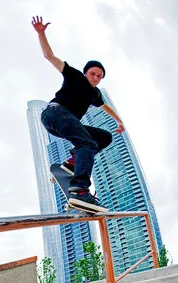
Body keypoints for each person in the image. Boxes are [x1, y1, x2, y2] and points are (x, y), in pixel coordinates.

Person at [32, 16, 125, 213]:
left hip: (66, 123)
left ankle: (72, 162)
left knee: (103, 137)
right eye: (93, 74)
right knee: (87, 143)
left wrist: (118, 120)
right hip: (55, 113)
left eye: (99, 76)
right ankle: (80, 190)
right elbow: (50, 56)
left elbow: (104, 107)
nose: (96, 78)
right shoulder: (74, 75)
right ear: (85, 73)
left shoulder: (95, 93)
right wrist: (41, 33)